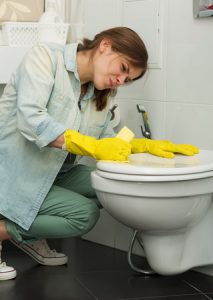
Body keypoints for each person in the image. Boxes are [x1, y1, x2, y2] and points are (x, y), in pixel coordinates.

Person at [0, 26, 198, 281]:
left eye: (127, 80)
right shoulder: (46, 58)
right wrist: (89, 145)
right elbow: (31, 120)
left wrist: (143, 147)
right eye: (123, 69)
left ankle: (28, 233)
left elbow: (106, 140)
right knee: (85, 214)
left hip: (55, 172)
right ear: (105, 45)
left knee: (113, 184)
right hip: (16, 172)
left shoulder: (101, 92)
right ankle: (6, 230)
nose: (121, 81)